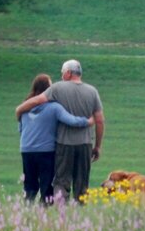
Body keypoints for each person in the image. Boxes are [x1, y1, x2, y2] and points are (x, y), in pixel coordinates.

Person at [15, 60, 104, 203]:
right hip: (85, 143)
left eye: (62, 73)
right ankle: (80, 214)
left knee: (61, 181)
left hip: (64, 144)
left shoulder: (57, 88)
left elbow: (37, 101)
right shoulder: (92, 91)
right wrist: (98, 146)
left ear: (68, 73)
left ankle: (61, 214)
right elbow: (99, 121)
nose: (62, 76)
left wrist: (19, 109)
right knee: (82, 184)